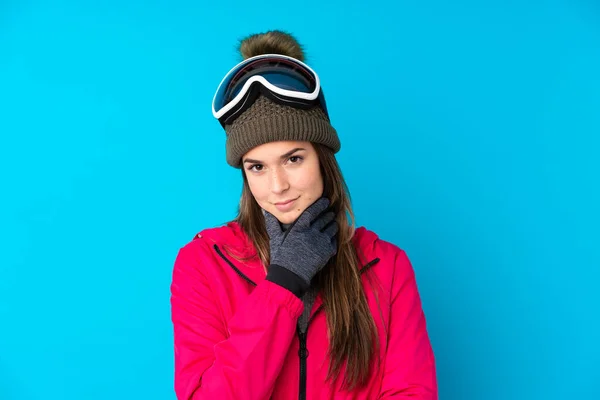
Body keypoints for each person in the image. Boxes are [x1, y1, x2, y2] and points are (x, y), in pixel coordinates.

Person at [170, 30, 438, 399]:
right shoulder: (203, 263)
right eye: (257, 167)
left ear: (322, 158)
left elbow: (411, 391)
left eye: (293, 159)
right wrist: (285, 280)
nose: (277, 186)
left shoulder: (386, 266)